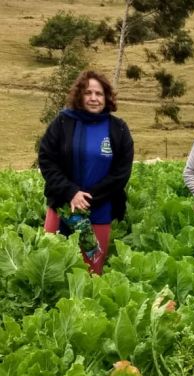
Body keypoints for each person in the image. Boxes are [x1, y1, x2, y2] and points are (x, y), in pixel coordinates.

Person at [38, 70, 134, 275]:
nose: (93, 98)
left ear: (106, 97)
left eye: (99, 94)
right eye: (88, 93)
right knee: (52, 267)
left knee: (91, 271)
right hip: (62, 206)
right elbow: (47, 159)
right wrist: (71, 192)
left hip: (99, 210)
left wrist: (87, 199)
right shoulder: (63, 122)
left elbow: (122, 171)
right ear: (79, 95)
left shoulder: (118, 129)